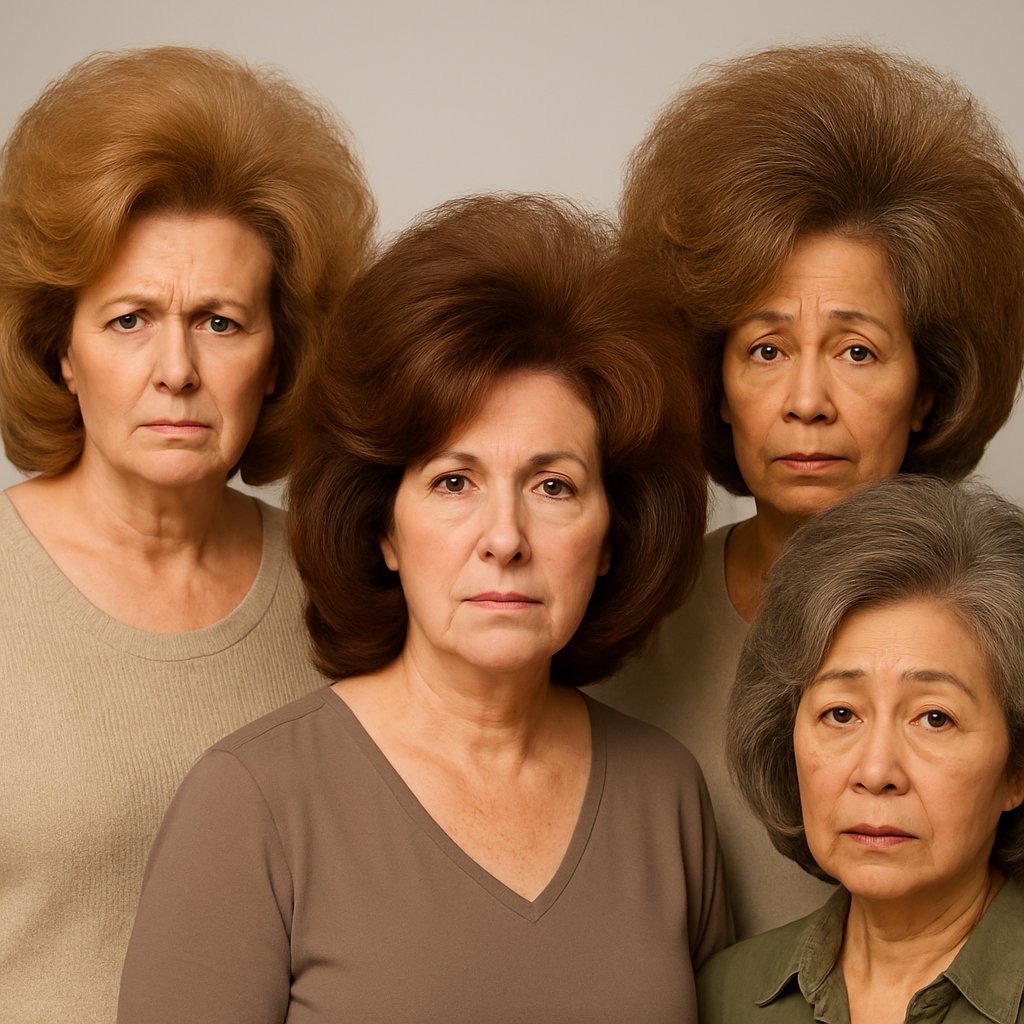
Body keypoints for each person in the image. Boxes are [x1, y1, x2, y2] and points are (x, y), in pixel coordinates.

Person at [117, 194, 731, 1023]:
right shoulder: (251, 803)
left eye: (554, 486)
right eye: (454, 482)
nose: (505, 538)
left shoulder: (666, 796)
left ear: (614, 536)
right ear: (384, 529)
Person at [597, 43, 1024, 937]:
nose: (806, 402)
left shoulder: (1004, 624)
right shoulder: (622, 621)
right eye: (765, 349)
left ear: (929, 392)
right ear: (711, 382)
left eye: (857, 350)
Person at [0, 46, 374, 1023]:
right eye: (130, 320)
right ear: (62, 351)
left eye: (219, 321)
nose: (176, 368)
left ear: (279, 355)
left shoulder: (347, 583)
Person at [698, 475, 1024, 1022]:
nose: (876, 771)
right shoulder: (728, 995)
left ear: (1016, 769)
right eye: (840, 713)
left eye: (935, 718)